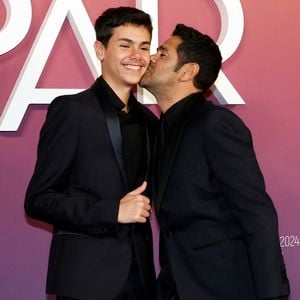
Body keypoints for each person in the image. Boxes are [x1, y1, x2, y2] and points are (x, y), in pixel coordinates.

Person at [140, 24, 290, 300]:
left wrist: (273, 295)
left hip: (224, 287)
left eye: (162, 54)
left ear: (187, 71)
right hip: (178, 286)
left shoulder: (215, 124)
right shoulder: (159, 129)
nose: (149, 57)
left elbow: (256, 212)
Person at [24, 7, 157, 300]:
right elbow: (39, 200)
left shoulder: (149, 122)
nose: (137, 55)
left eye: (144, 46)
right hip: (86, 282)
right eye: (125, 45)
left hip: (141, 281)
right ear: (100, 49)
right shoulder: (72, 111)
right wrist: (112, 211)